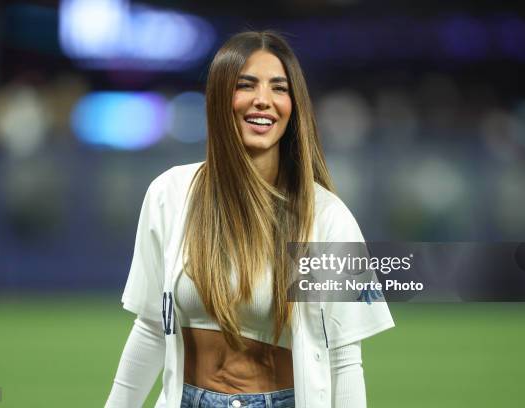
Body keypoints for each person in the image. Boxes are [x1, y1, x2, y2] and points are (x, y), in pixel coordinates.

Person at [104, 31, 394, 408]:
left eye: (279, 88)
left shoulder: (324, 217)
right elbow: (150, 328)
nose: (264, 100)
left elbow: (344, 359)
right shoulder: (170, 194)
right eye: (246, 85)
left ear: (294, 105)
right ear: (221, 99)